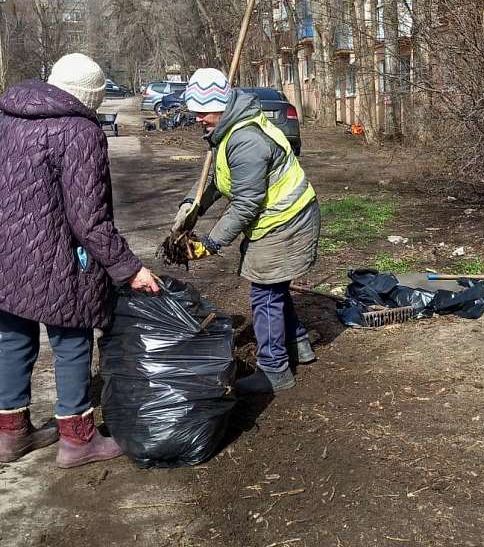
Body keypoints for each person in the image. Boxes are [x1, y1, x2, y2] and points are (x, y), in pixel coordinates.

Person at [0, 53, 160, 467]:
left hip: (5, 254)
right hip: (56, 256)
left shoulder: (7, 116)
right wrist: (129, 269)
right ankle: (77, 440)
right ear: (90, 96)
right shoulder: (80, 131)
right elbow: (89, 219)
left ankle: (11, 435)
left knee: (13, 338)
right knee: (71, 339)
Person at [172, 68, 320, 394]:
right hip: (284, 217)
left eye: (202, 111)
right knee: (275, 286)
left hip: (286, 221)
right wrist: (193, 204)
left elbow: (245, 204)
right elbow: (217, 178)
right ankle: (299, 345)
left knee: (265, 294)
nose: (197, 118)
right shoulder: (229, 130)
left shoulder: (246, 139)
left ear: (221, 104)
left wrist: (210, 242)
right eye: (194, 111)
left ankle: (274, 371)